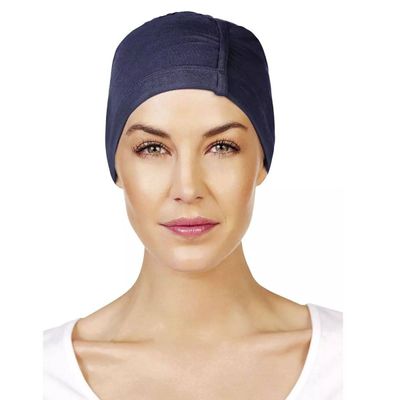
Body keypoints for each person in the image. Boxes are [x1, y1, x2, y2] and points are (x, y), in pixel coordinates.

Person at [43, 11, 342, 400]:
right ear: (116, 165)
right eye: (153, 148)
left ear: (262, 162)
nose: (187, 188)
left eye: (222, 147)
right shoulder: (38, 375)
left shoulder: (352, 362)